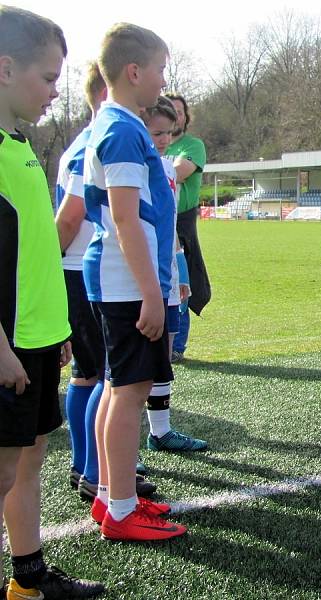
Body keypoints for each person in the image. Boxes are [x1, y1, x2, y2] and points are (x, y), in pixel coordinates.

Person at [0, 6, 105, 598]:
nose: (54, 91)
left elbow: (34, 252)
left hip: (35, 336)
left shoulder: (17, 145)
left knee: (26, 463)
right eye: (47, 77)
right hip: (6, 345)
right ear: (5, 68)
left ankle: (28, 579)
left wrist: (56, 327)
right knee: (2, 472)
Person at [83, 22, 186, 541]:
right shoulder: (123, 129)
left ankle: (110, 496)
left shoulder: (113, 125)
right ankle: (122, 508)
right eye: (161, 69)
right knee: (129, 393)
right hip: (128, 284)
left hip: (123, 281)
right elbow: (125, 218)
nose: (163, 81)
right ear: (134, 71)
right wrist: (152, 292)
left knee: (118, 390)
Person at [54, 62, 107, 502]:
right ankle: (94, 468)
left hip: (76, 271)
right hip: (82, 272)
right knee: (103, 376)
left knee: (86, 375)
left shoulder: (80, 142)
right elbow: (69, 217)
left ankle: (83, 463)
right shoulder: (92, 143)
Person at [142, 96, 208, 452]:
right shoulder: (132, 165)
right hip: (136, 281)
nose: (165, 139)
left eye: (169, 132)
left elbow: (170, 227)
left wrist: (178, 270)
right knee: (126, 372)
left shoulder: (168, 169)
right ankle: (112, 460)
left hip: (166, 275)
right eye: (157, 132)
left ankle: (160, 431)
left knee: (163, 357)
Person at [163, 92, 210, 363]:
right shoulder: (154, 143)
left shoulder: (193, 145)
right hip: (155, 218)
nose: (175, 116)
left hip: (182, 220)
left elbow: (178, 173)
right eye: (169, 110)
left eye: (179, 111)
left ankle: (177, 345)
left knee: (182, 278)